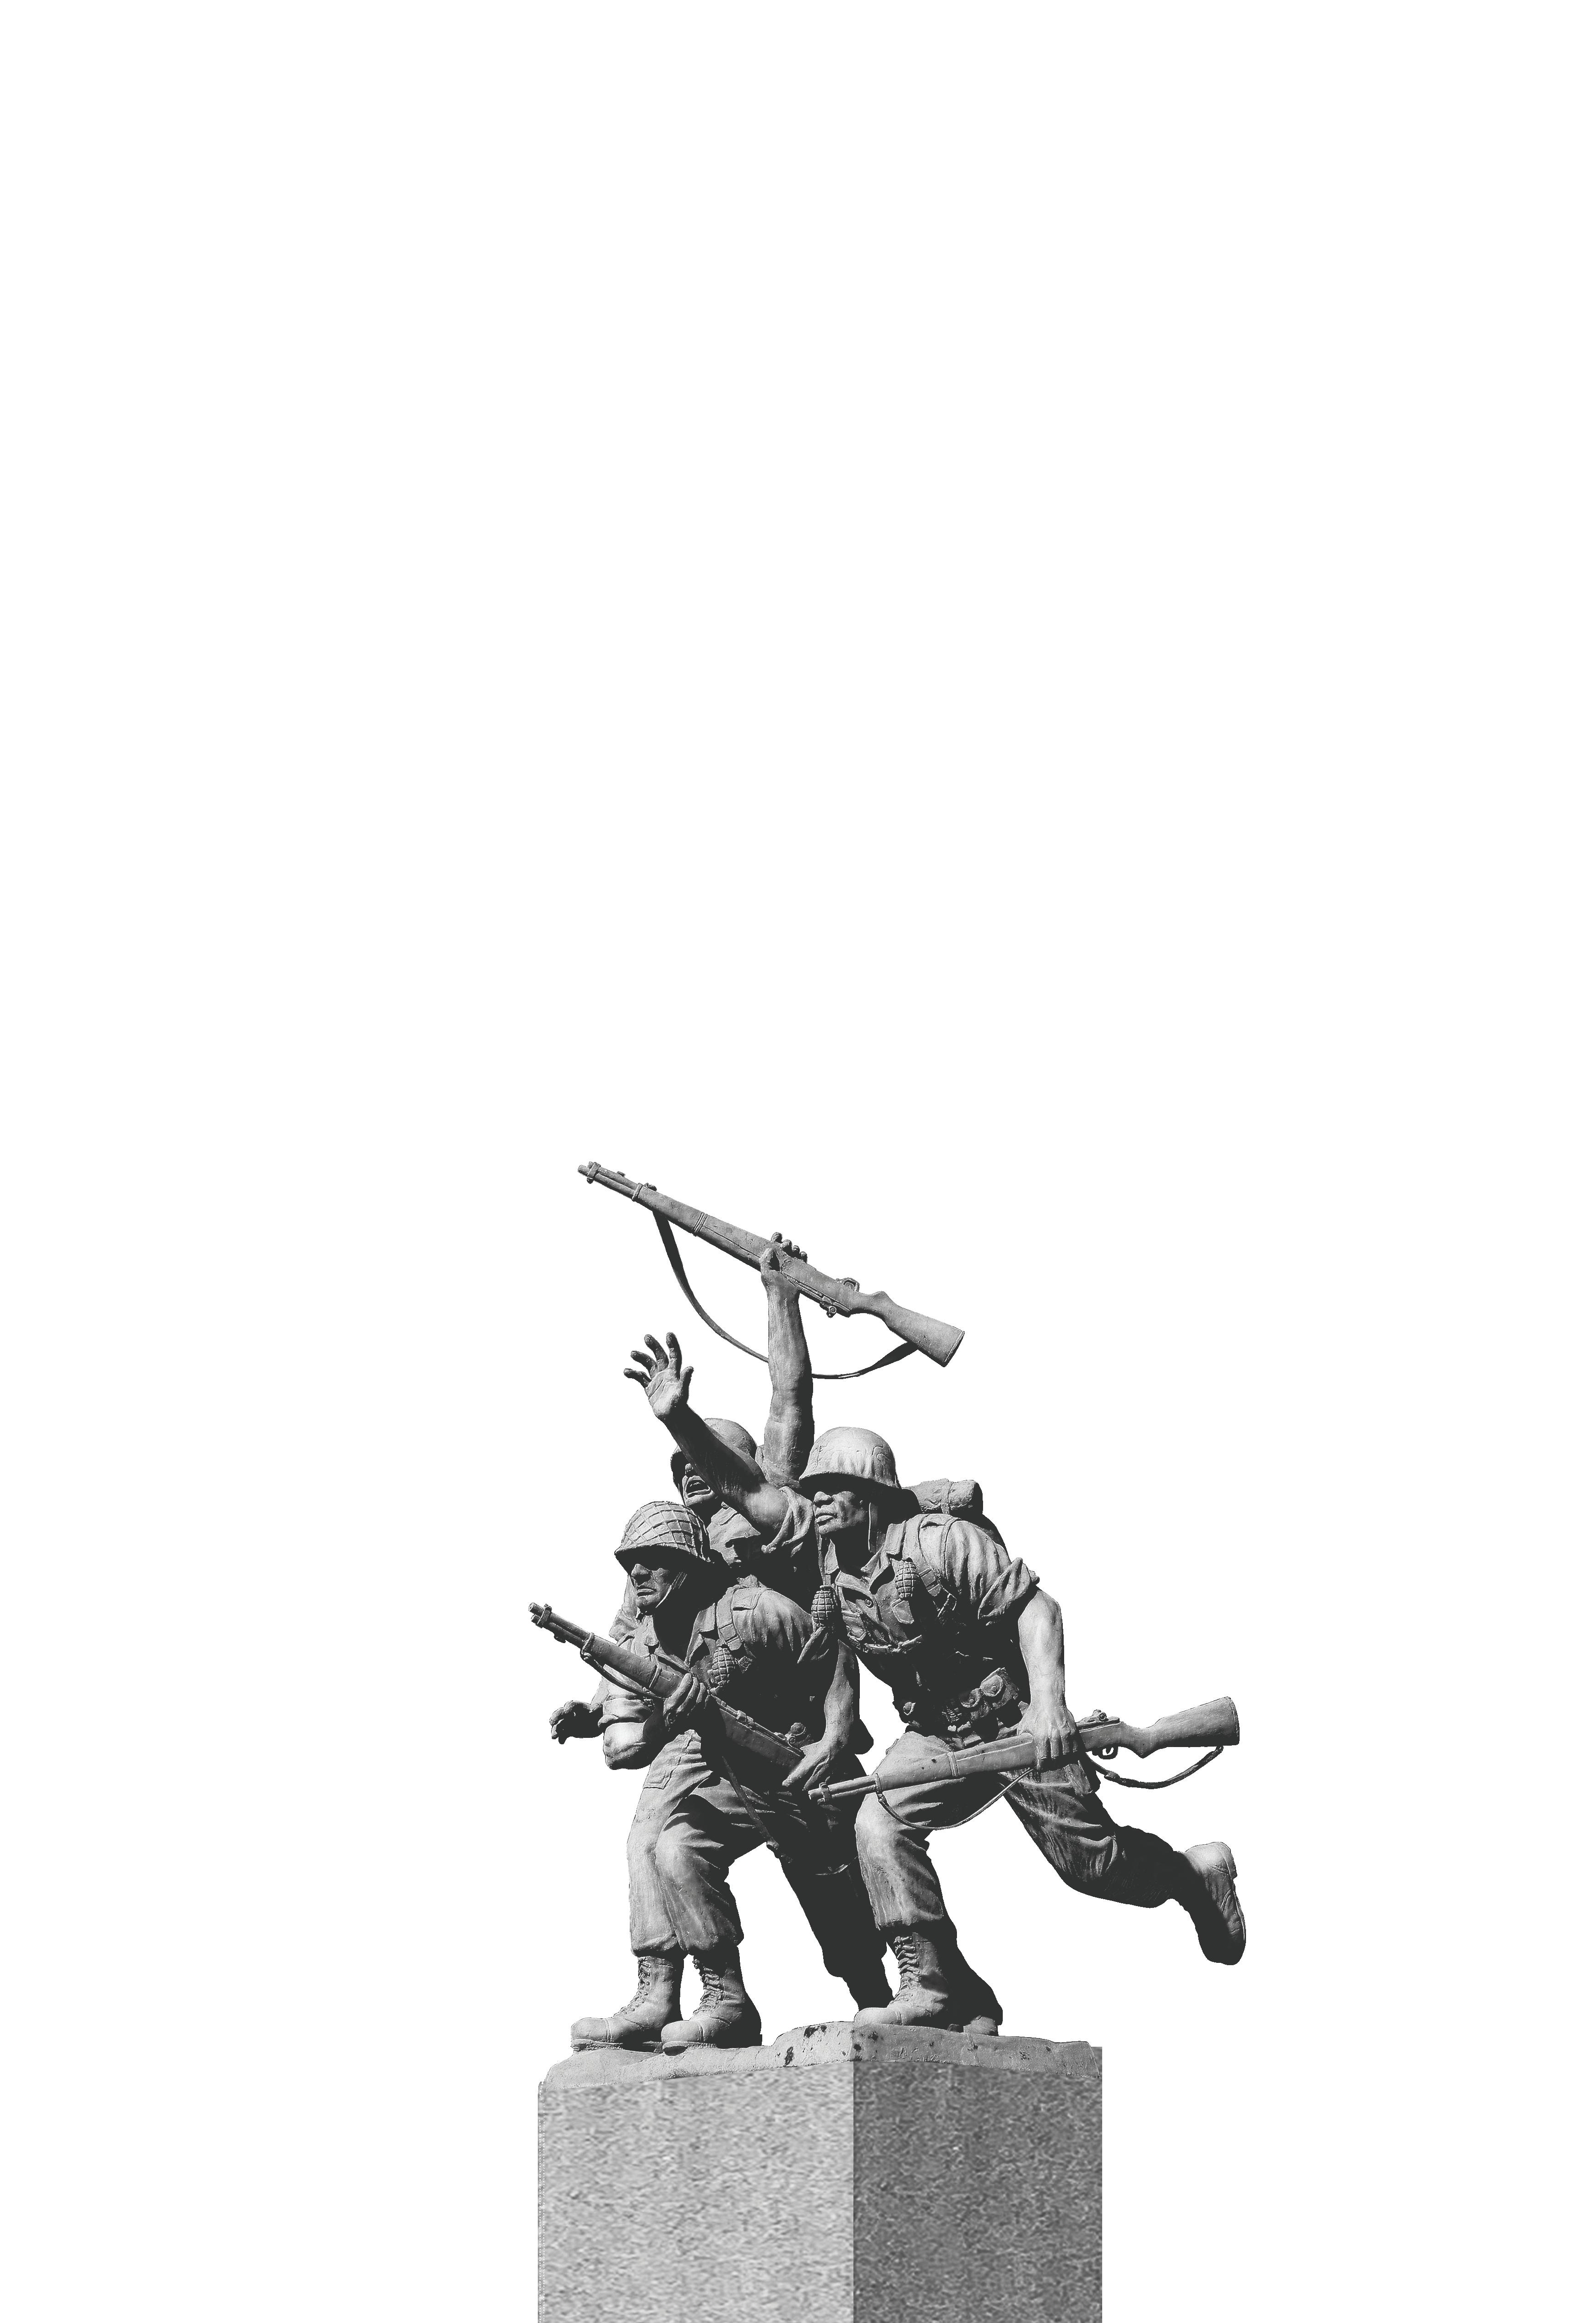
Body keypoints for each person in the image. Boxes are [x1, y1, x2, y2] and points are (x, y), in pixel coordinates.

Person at [627, 1336, 1246, 2030]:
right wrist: (677, 1418)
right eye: (814, 1491)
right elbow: (749, 1494)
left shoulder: (940, 1542)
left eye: (833, 1489)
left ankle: (1193, 1876)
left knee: (1094, 1867)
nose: (817, 1500)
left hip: (1013, 1719)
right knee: (879, 1822)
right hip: (934, 1731)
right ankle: (928, 1980)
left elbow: (1037, 1611)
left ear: (872, 1495)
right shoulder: (823, 1551)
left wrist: (1048, 1707)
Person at [557, 1500, 888, 2051]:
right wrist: (643, 1719)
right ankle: (725, 2001)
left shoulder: (753, 1611)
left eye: (653, 1561)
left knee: (834, 1897)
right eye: (631, 1564)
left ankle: (882, 1995)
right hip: (729, 1772)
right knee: (676, 1849)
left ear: (687, 1567)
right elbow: (623, 1736)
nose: (638, 1574)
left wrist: (832, 1739)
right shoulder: (643, 1643)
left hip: (800, 1765)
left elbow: (832, 1658)